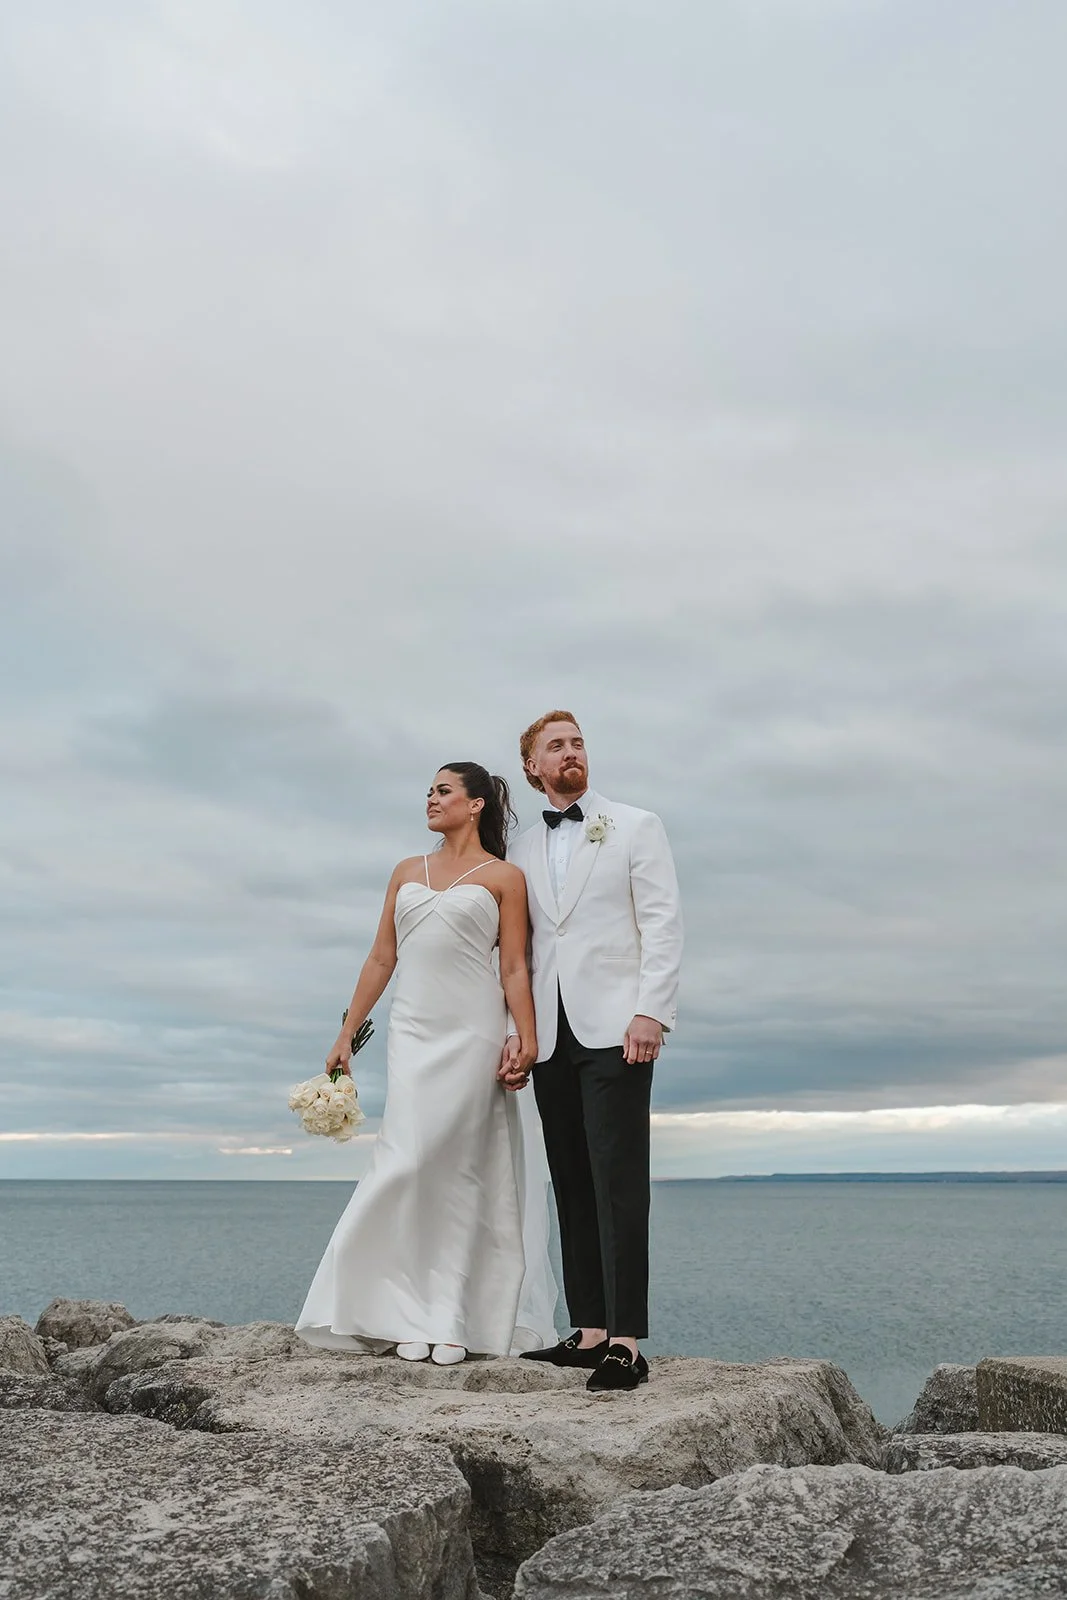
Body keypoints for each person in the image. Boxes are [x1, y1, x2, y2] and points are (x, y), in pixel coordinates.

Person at [296, 763, 557, 1364]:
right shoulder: (406, 871)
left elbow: (515, 967)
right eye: (429, 792)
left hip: (473, 1033)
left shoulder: (505, 878)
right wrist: (345, 1034)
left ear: (476, 805)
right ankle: (403, 1310)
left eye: (443, 791)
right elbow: (381, 957)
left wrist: (526, 1037)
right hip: (412, 1033)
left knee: (462, 1170)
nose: (431, 801)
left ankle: (453, 1317)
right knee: (407, 1163)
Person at [499, 713, 683, 1392]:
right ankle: (588, 1330)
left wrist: (650, 1011)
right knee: (571, 1178)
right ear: (531, 767)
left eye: (576, 743)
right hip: (549, 1031)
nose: (570, 753)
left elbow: (661, 921)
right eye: (556, 746)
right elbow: (516, 948)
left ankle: (627, 1342)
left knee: (618, 1179)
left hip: (617, 1028)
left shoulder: (636, 825)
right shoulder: (517, 846)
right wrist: (516, 1034)